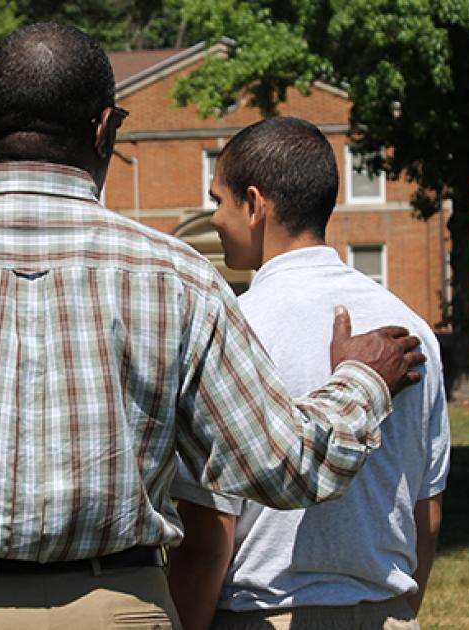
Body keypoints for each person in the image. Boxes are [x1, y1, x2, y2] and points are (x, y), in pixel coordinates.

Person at [0, 25, 423, 630]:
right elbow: (281, 466)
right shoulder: (179, 278)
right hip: (124, 608)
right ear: (105, 129)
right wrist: (361, 380)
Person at [169, 117, 449, 630]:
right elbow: (426, 514)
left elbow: (211, 533)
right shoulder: (414, 328)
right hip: (388, 613)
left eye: (219, 201)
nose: (213, 219)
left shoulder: (232, 328)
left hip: (261, 614)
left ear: (255, 205)